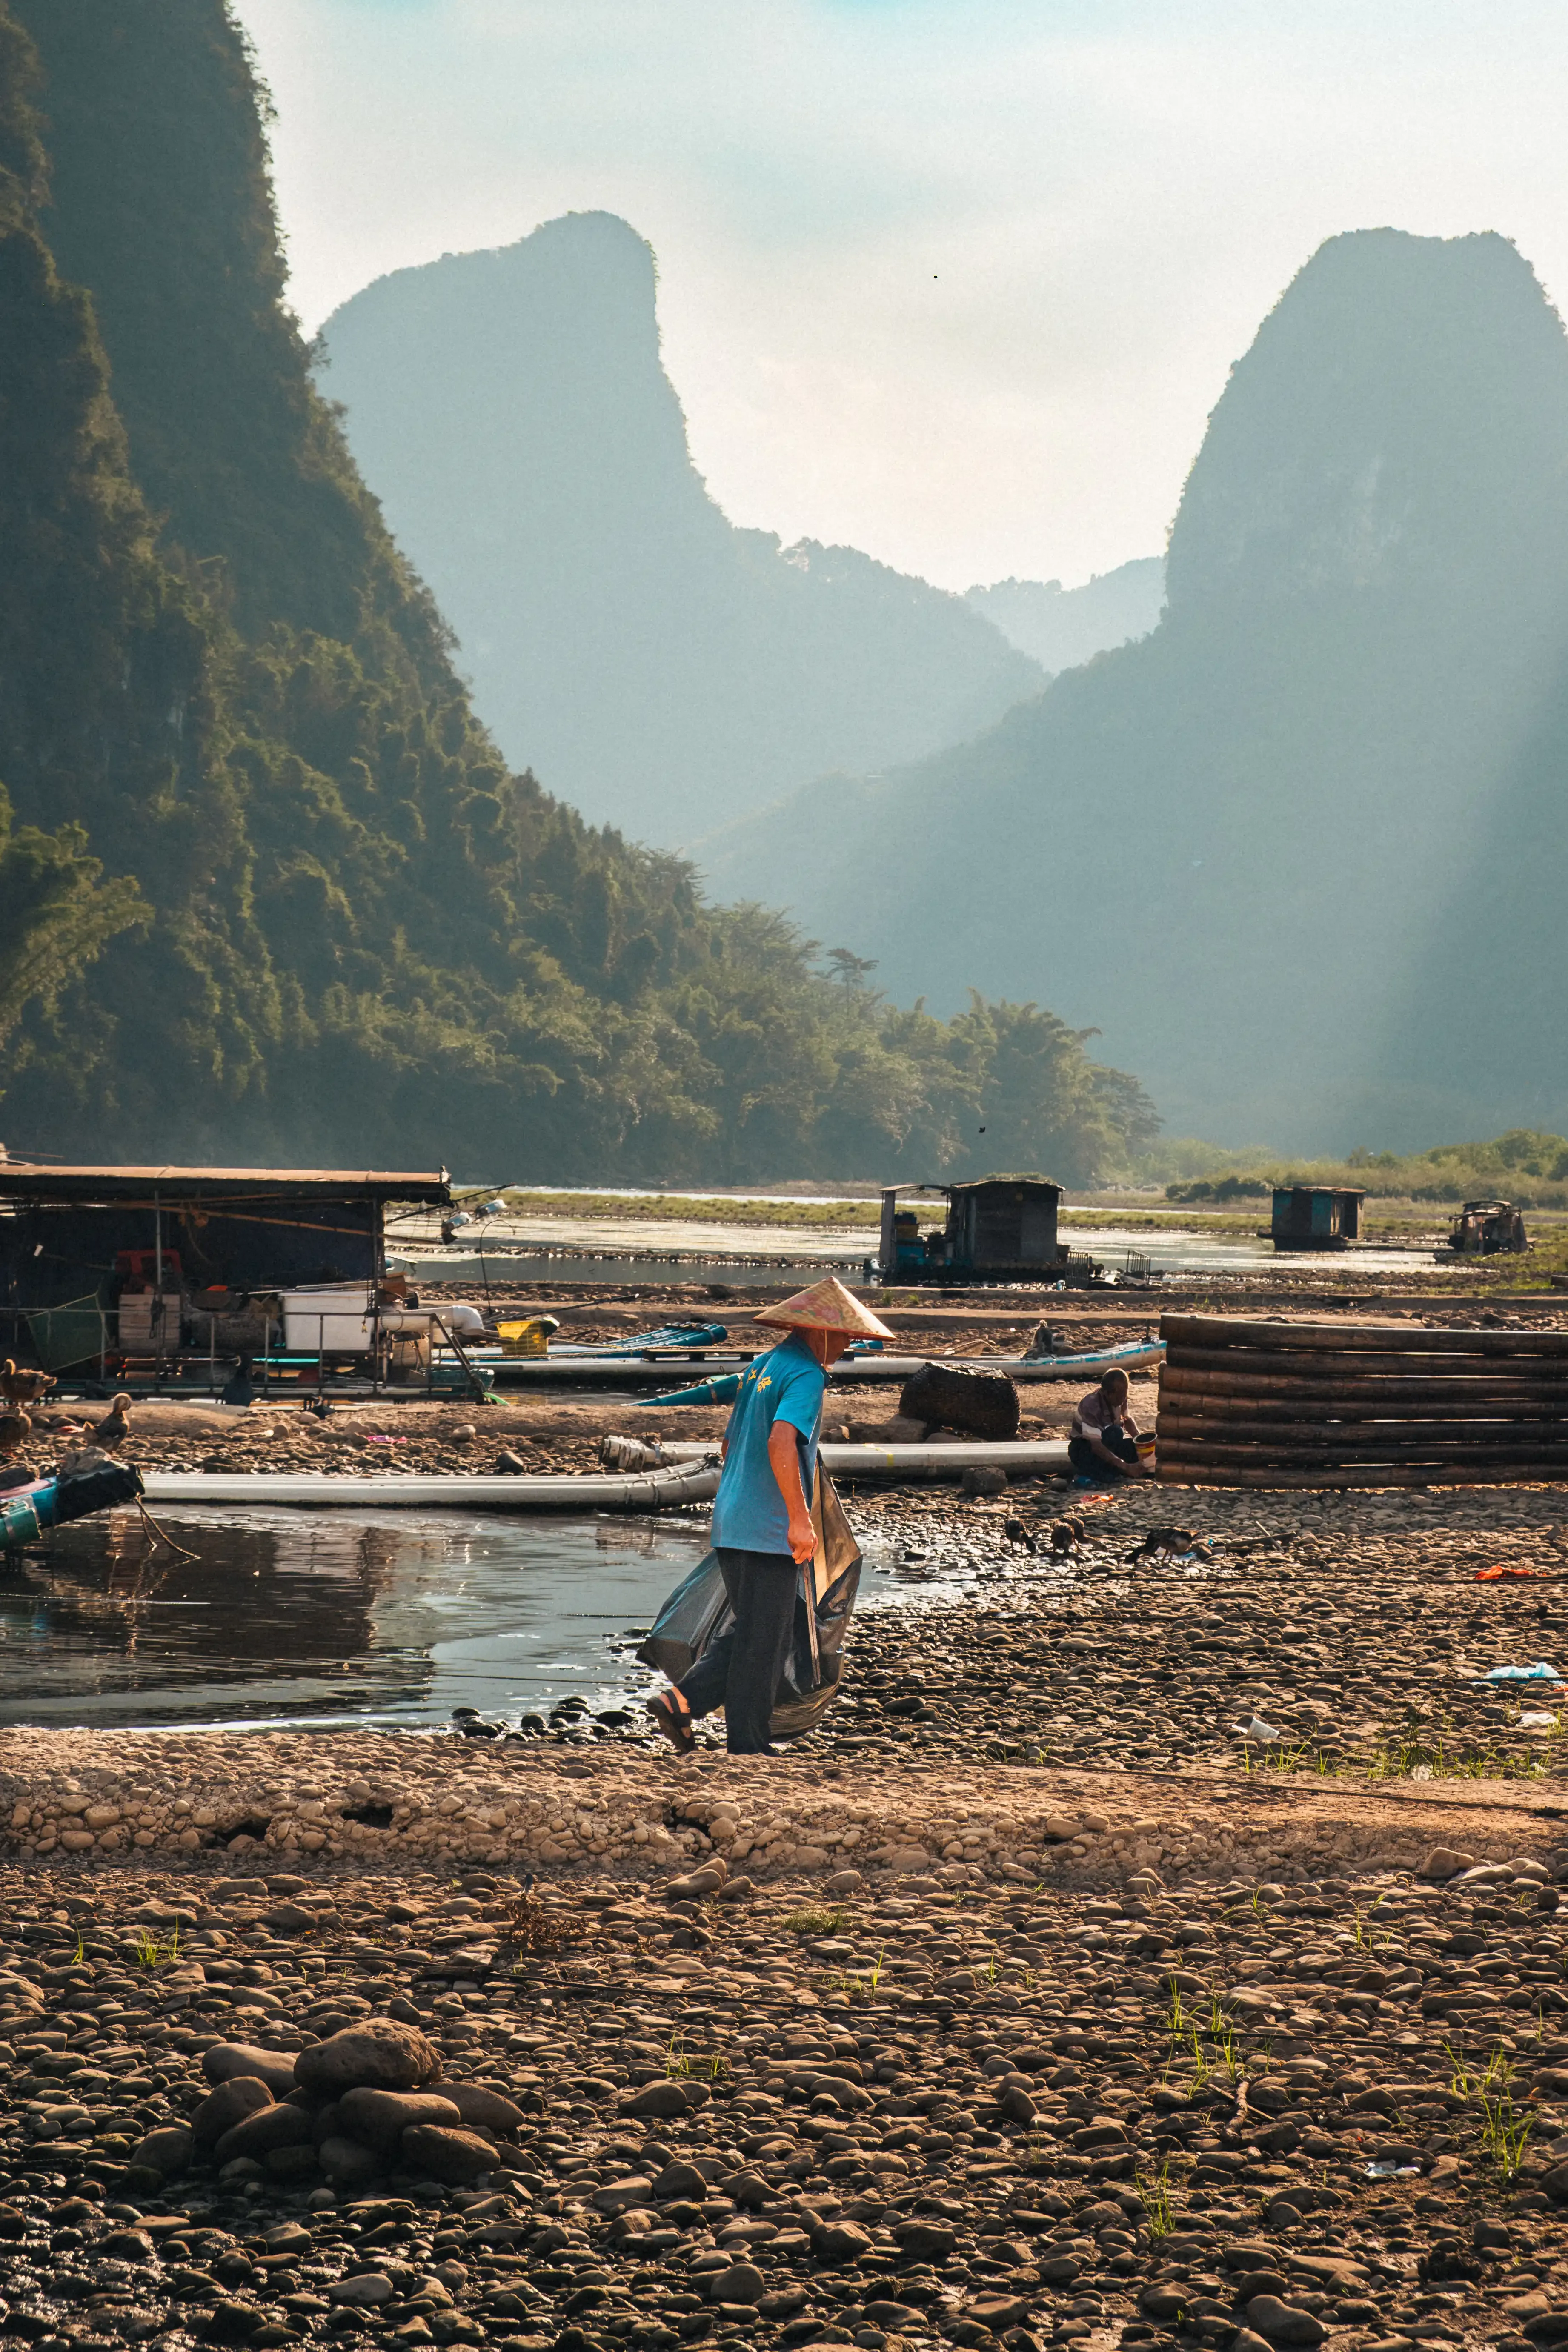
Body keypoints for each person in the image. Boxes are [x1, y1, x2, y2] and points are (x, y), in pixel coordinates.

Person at [647, 1274, 893, 1755]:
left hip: (734, 1519)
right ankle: (744, 1742)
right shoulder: (805, 1374)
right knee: (765, 1641)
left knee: (755, 1629)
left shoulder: (764, 1364)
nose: (847, 1347)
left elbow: (728, 1442)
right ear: (820, 1332)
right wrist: (800, 1519)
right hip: (768, 1527)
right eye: (845, 1337)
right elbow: (781, 1441)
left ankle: (689, 1705)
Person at [1069, 1365, 1149, 1481]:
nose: (1123, 1400)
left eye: (1124, 1395)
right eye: (1119, 1396)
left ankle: (1114, 1469)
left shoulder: (1122, 1399)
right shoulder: (1091, 1406)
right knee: (1115, 1433)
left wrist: (1141, 1443)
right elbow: (1096, 1446)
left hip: (1109, 1443)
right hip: (1085, 1448)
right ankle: (1107, 1471)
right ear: (1106, 1393)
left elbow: (1126, 1420)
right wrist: (1126, 1467)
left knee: (1133, 1447)